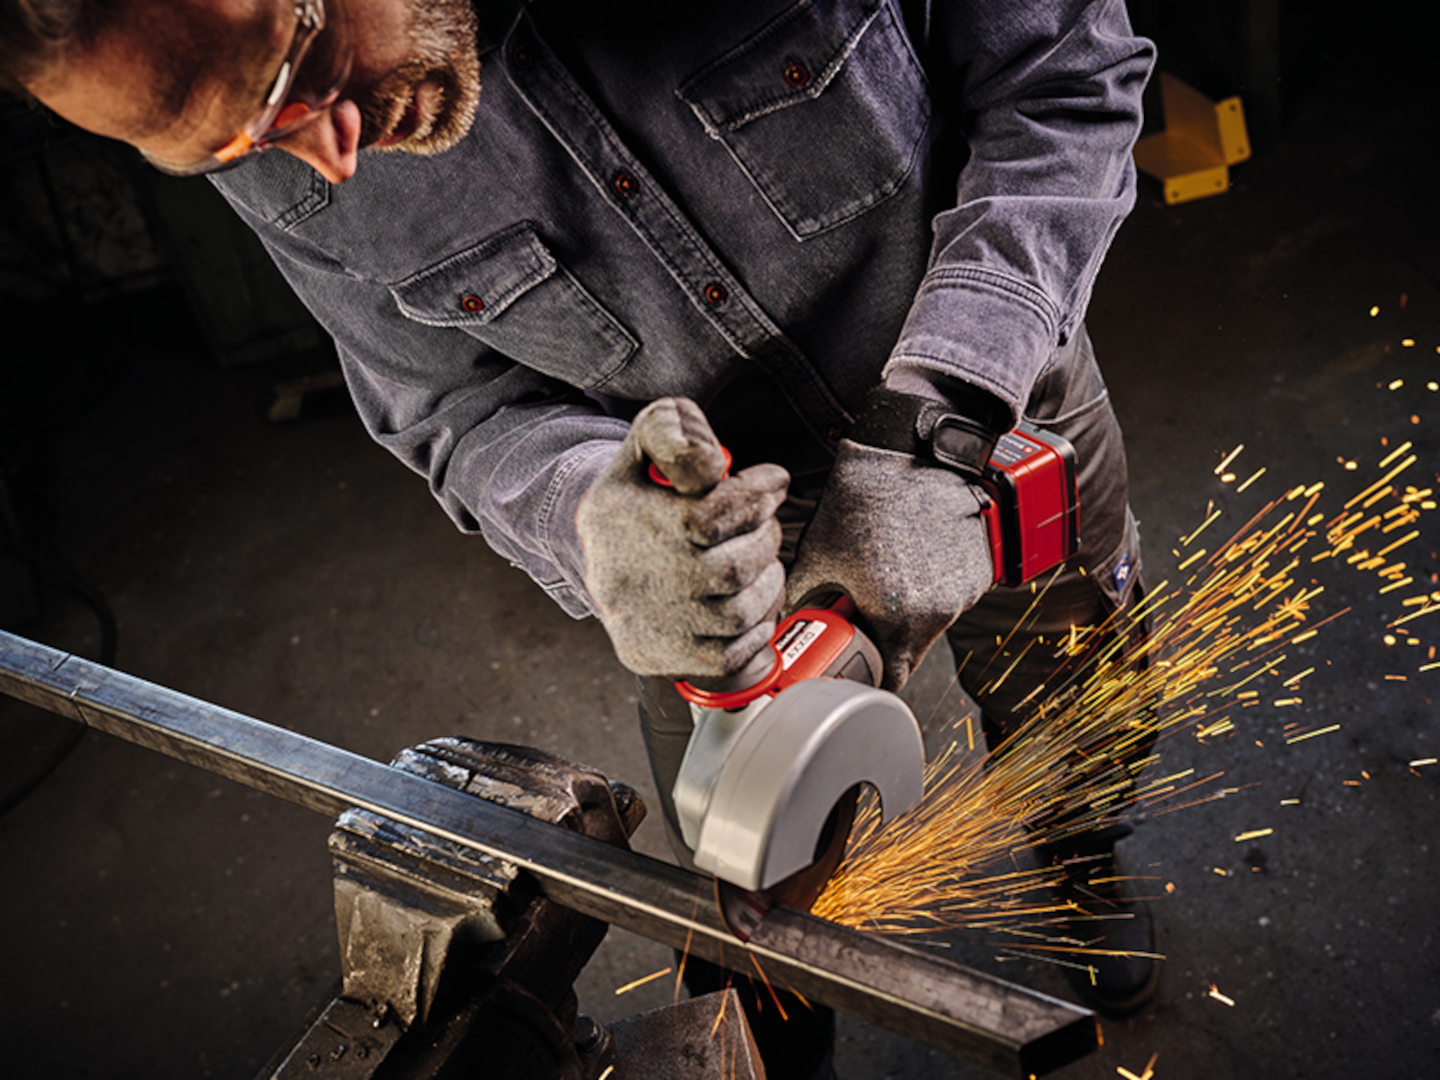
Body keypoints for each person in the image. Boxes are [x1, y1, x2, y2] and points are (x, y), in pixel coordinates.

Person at [6, 0, 1159, 1070]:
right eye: (228, 149)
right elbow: (453, 405)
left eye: (300, 59)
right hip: (711, 547)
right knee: (748, 872)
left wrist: (939, 417)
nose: (326, 155)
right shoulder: (275, 108)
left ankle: (1080, 854)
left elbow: (1063, 77)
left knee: (1080, 686)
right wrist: (599, 526)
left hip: (994, 403)